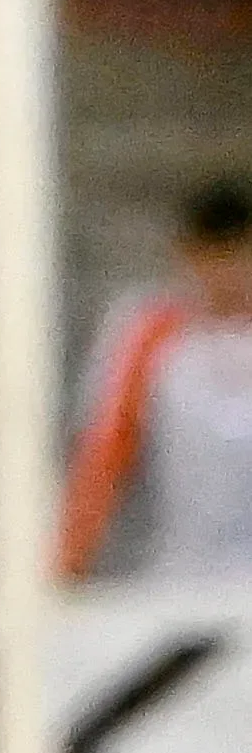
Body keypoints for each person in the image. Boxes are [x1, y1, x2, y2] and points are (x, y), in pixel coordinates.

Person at [62, 176, 252, 582]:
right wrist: (69, 562)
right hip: (176, 577)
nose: (230, 275)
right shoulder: (152, 332)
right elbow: (104, 454)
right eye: (215, 260)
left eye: (240, 258)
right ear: (188, 256)